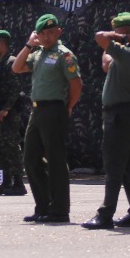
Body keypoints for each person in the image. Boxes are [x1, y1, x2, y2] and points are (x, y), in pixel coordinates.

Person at [84, 13, 130, 229]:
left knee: (114, 165)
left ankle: (106, 214)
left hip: (119, 113)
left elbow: (100, 36)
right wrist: (123, 39)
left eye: (119, 31)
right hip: (125, 112)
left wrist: (118, 37)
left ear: (126, 33)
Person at [14, 14, 82, 224]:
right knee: (30, 159)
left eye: (51, 32)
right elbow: (16, 67)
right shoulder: (39, 54)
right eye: (42, 33)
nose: (47, 37)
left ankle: (60, 210)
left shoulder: (64, 55)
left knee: (55, 161)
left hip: (55, 109)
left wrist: (68, 107)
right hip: (37, 111)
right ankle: (43, 206)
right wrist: (29, 44)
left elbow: (76, 84)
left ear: (59, 32)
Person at [0, 29, 29, 196]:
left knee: (11, 146)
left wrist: (6, 109)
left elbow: (15, 89)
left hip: (9, 113)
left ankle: (18, 183)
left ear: (1, 44)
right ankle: (6, 181)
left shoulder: (11, 61)